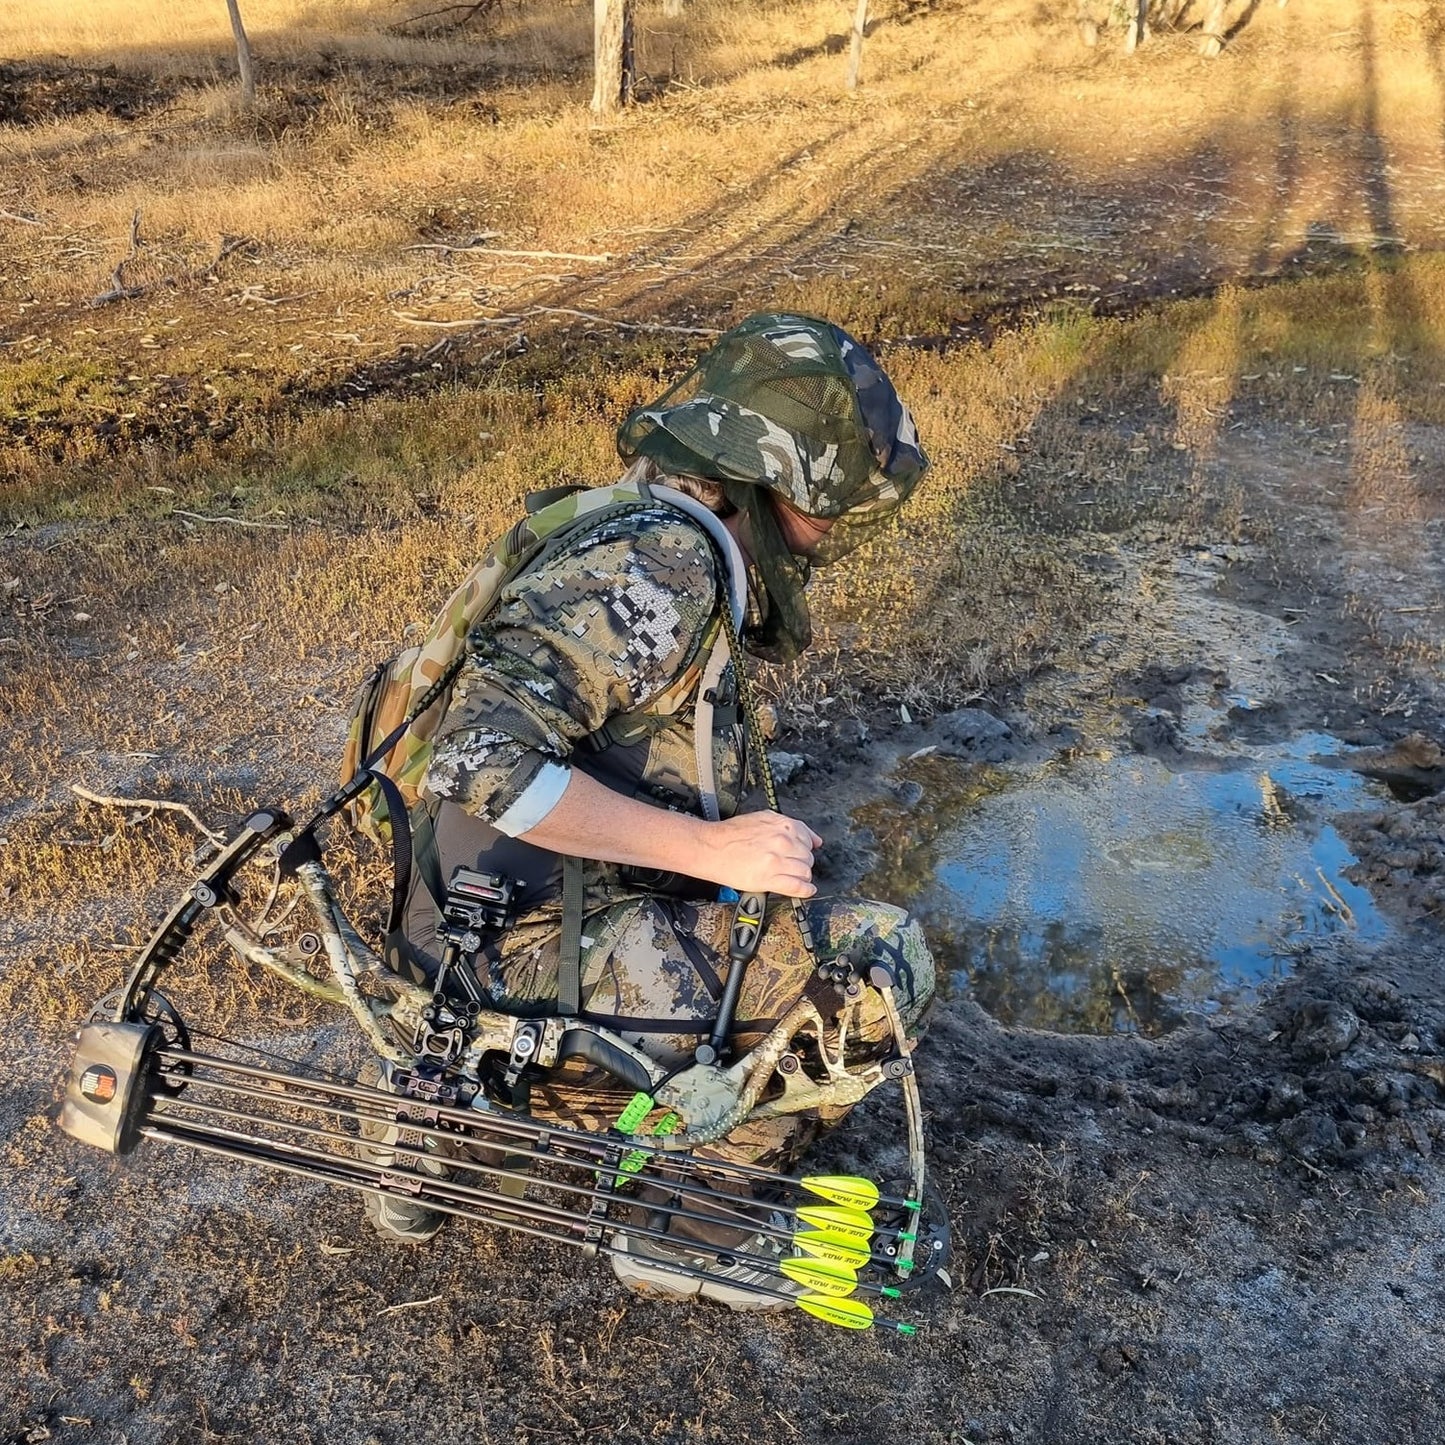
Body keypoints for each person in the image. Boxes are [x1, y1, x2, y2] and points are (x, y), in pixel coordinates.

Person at [364, 312, 938, 1307]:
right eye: (829, 502)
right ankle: (686, 1217)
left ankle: (424, 1127)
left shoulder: (631, 521)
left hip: (455, 930)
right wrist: (709, 843)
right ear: (770, 483)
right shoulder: (663, 564)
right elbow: (483, 758)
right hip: (510, 962)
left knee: (766, 887)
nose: (835, 529)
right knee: (879, 962)